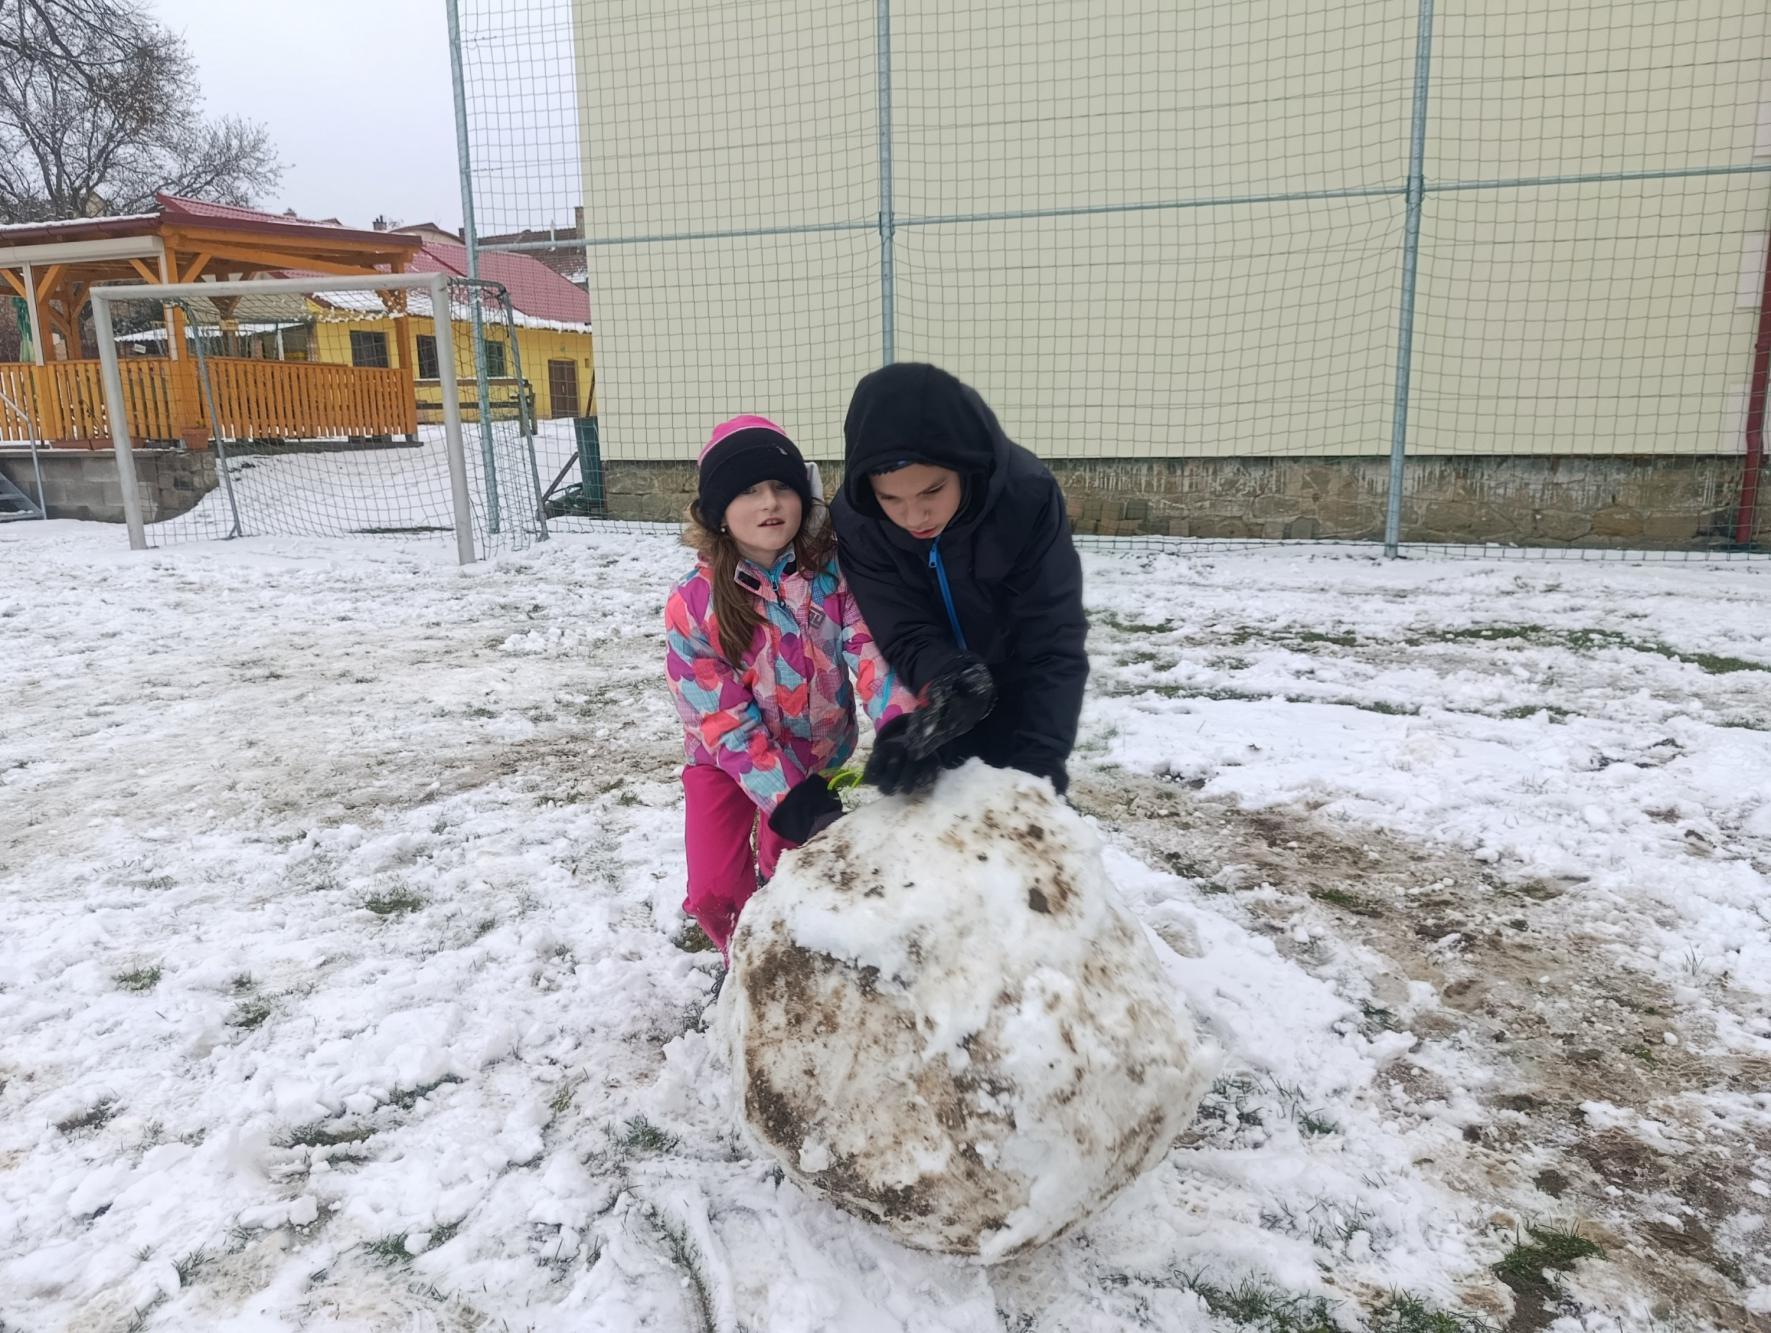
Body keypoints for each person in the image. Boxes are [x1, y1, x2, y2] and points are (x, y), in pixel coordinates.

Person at [664, 415, 914, 955]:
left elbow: (867, 649)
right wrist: (786, 796)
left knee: (796, 873)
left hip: (815, 753)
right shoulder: (694, 605)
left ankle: (790, 962)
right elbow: (722, 720)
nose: (770, 503)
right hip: (724, 762)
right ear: (719, 514)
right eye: (748, 491)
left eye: (782, 487)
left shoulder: (832, 576)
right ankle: (740, 964)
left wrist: (900, 722)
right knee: (714, 890)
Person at [831, 363, 1089, 797]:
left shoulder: (1026, 499)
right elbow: (901, 628)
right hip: (942, 693)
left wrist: (1038, 764)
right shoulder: (860, 524)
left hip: (1022, 682)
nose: (914, 517)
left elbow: (1051, 636)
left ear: (965, 466)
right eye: (890, 498)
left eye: (932, 491)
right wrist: (943, 683)